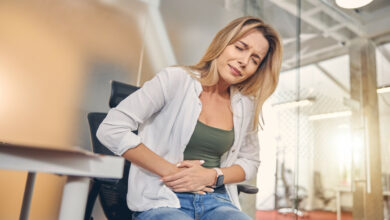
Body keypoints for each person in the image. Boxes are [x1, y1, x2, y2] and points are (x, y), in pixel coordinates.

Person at [97, 16, 282, 220]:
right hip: (163, 199)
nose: (244, 61)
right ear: (222, 44)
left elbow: (250, 161)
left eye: (255, 59)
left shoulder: (245, 105)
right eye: (240, 48)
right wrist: (173, 172)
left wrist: (213, 175)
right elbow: (111, 129)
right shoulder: (175, 79)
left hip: (216, 200)